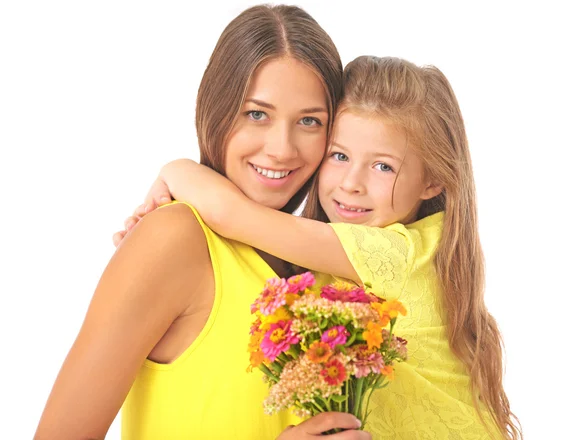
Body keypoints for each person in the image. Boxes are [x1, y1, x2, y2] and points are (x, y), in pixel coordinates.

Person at [117, 56, 522, 439]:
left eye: (383, 166)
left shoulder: (401, 254)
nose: (351, 183)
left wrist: (174, 170)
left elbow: (230, 213)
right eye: (339, 155)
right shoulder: (326, 264)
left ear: (432, 181)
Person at [34, 5, 373, 440]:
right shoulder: (173, 240)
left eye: (309, 121)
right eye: (256, 114)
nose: (281, 149)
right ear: (214, 109)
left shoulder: (325, 262)